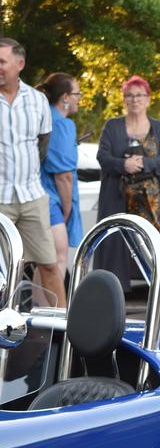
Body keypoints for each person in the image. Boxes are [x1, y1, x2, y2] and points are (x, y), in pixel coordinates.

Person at [0, 38, 65, 307]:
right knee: (3, 274)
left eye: (2, 61)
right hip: (0, 200)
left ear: (20, 64)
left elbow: (42, 147)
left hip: (31, 197)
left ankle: (68, 332)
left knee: (49, 265)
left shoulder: (38, 101)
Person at [95, 75, 160, 291]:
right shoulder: (112, 126)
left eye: (139, 95)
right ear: (124, 99)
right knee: (115, 244)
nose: (134, 100)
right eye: (129, 95)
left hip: (152, 203)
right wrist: (124, 165)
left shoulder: (158, 128)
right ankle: (113, 293)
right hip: (118, 198)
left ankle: (157, 293)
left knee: (152, 246)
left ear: (148, 99)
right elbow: (102, 157)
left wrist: (144, 164)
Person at [35, 72, 83, 285]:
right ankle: (54, 314)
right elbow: (63, 176)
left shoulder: (43, 118)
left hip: (40, 195)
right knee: (57, 257)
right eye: (77, 93)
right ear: (65, 97)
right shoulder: (63, 125)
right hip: (53, 198)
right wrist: (67, 208)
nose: (79, 98)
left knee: (43, 262)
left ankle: (37, 311)